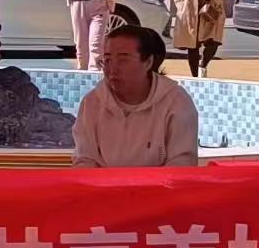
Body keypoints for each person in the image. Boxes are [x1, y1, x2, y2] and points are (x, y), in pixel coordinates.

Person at [72, 24, 199, 168]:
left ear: (148, 62)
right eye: (107, 60)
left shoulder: (176, 102)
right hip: (103, 182)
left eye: (123, 60)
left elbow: (182, 164)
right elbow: (84, 160)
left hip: (160, 183)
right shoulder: (92, 103)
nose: (112, 69)